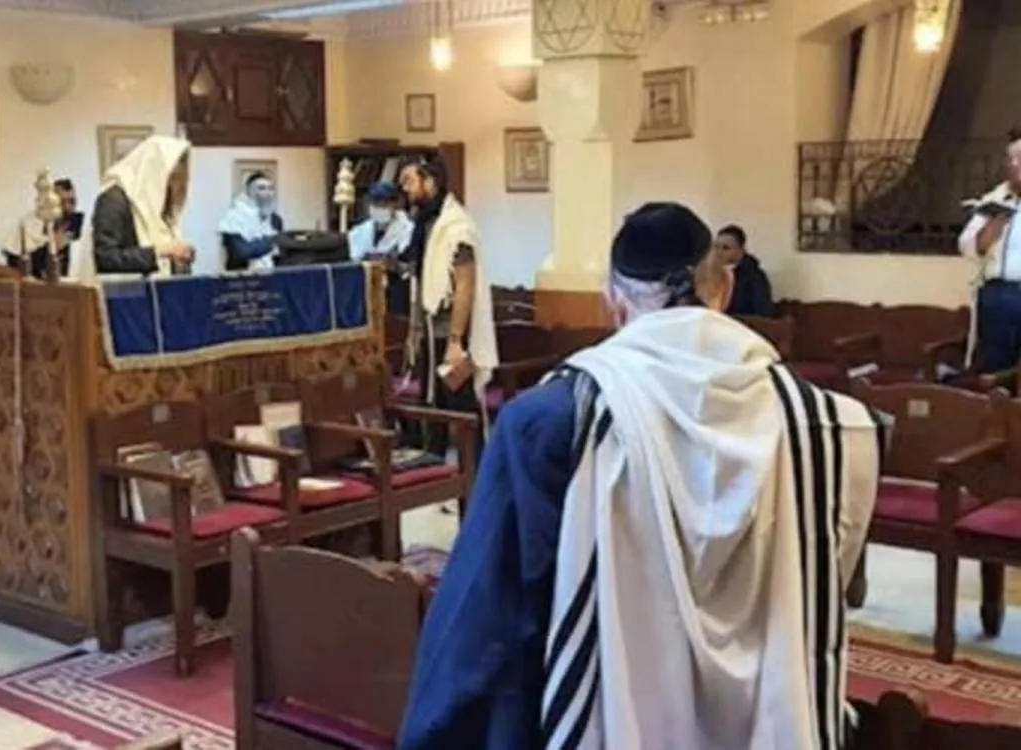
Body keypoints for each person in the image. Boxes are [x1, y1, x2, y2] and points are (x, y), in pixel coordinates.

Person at [398, 203, 886, 750]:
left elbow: (484, 626)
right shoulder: (833, 427)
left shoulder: (549, 422)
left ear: (613, 300)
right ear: (724, 288)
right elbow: (835, 584)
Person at [398, 156, 497, 460]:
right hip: (430, 331)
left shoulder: (457, 226)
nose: (405, 189)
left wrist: (455, 340)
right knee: (434, 409)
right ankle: (437, 473)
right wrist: (414, 329)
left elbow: (465, 283)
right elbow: (420, 280)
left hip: (453, 333)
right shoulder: (425, 223)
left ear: (430, 182)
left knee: (463, 410)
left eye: (410, 181)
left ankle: (476, 476)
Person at [77, 135, 195, 280]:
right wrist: (158, 252)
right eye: (172, 178)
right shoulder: (113, 201)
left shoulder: (157, 204)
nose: (174, 187)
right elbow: (106, 259)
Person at [958, 126, 1021, 373]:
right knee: (996, 367)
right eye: (1009, 158)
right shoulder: (994, 199)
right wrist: (993, 227)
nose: (1013, 164)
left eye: (1020, 158)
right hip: (998, 296)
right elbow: (966, 245)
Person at [347, 180, 413, 316]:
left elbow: (408, 265)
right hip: (365, 289)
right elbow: (353, 258)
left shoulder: (408, 229)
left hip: (396, 291)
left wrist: (392, 263)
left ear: (395, 204)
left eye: (385, 204)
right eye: (376, 204)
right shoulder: (359, 231)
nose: (380, 208)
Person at [2, 178, 79, 279]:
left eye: (72, 202)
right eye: (62, 202)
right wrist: (51, 248)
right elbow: (16, 262)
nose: (67, 207)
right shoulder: (30, 223)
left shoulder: (72, 225)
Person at [219, 171, 283, 272]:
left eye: (271, 189)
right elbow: (241, 252)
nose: (268, 193)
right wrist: (272, 241)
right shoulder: (233, 218)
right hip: (241, 276)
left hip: (270, 275)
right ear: (249, 192)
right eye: (261, 188)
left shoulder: (275, 219)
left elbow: (279, 251)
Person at [715, 223, 775, 317]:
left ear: (740, 250)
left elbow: (762, 314)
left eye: (725, 248)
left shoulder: (755, 277)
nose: (719, 253)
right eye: (716, 247)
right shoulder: (711, 273)